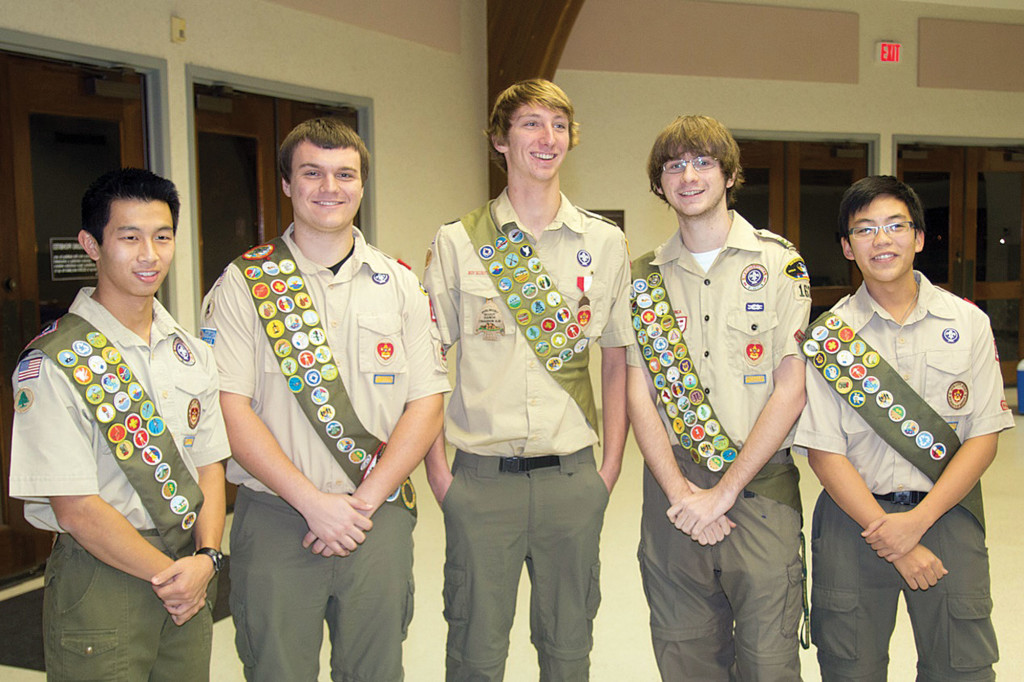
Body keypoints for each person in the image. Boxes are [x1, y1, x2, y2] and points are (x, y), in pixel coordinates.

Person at [201, 117, 448, 681]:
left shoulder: (401, 283)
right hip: (277, 517)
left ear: (362, 185)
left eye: (345, 174)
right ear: (286, 184)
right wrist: (313, 502)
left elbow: (427, 402)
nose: (329, 188)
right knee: (276, 669)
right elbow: (229, 407)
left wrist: (361, 504)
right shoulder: (244, 284)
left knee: (376, 670)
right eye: (311, 173)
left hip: (375, 517)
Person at [422, 78, 632, 680]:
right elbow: (429, 362)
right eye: (531, 123)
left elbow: (617, 358)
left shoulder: (605, 242)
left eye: (559, 125)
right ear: (500, 139)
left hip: (571, 478)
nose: (547, 137)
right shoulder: (459, 241)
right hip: (481, 483)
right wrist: (440, 475)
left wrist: (608, 469)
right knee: (474, 655)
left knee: (569, 653)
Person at [9, 168, 229, 681]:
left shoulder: (191, 352)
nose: (149, 255)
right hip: (103, 575)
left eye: (162, 236)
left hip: (189, 566)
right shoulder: (54, 361)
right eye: (129, 237)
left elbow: (210, 465)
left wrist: (207, 558)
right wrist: (174, 577)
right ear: (91, 244)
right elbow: (77, 508)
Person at [795, 175, 1014, 680]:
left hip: (947, 515)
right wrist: (894, 537)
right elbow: (825, 453)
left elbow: (983, 437)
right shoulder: (829, 336)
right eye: (866, 229)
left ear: (918, 237)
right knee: (851, 667)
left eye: (895, 225)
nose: (882, 239)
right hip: (855, 521)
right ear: (848, 248)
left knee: (962, 667)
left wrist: (915, 527)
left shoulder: (969, 323)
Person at [626, 115, 810, 681]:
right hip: (673, 492)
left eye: (703, 161)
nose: (688, 176)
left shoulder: (779, 263)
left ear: (730, 173)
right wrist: (684, 494)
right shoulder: (641, 278)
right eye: (673, 165)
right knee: (685, 658)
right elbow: (639, 394)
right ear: (660, 182)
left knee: (769, 662)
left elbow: (791, 387)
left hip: (758, 488)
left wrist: (722, 493)